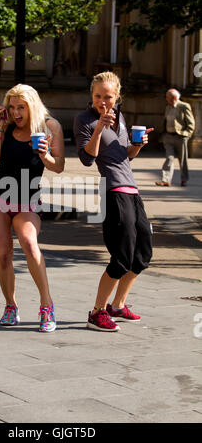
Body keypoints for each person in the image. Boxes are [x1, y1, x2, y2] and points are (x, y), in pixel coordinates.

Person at [73, 71, 153, 332]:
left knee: (142, 255)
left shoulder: (120, 118)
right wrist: (99, 128)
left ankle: (117, 306)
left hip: (132, 190)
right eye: (97, 96)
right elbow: (87, 158)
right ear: (91, 95)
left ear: (117, 96)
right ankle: (96, 313)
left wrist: (138, 146)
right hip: (112, 191)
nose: (102, 101)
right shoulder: (84, 120)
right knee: (121, 256)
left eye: (108, 96)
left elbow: (125, 155)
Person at [0, 83, 65, 332]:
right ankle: (11, 305)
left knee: (30, 244)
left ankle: (46, 305)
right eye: (12, 107)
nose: (17, 112)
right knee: (4, 254)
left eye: (22, 107)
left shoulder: (50, 126)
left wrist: (45, 156)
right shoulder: (6, 125)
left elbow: (59, 166)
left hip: (27, 197)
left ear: (32, 106)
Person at [155, 88, 195, 187]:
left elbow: (191, 123)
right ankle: (166, 180)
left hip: (180, 137)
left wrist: (186, 134)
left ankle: (184, 179)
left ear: (173, 98)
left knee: (182, 160)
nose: (166, 99)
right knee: (169, 158)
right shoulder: (168, 107)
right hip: (168, 136)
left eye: (167, 97)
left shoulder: (184, 106)